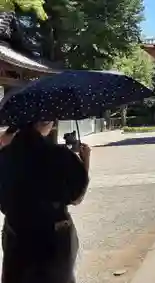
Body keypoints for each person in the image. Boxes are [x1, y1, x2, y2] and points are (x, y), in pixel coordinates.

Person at [0, 121, 90, 283]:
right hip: (54, 233)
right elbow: (77, 197)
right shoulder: (60, 154)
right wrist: (85, 162)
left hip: (16, 232)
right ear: (45, 122)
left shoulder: (4, 156)